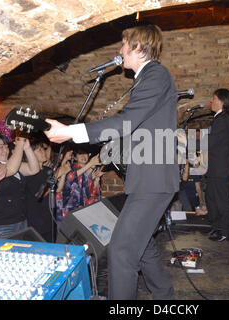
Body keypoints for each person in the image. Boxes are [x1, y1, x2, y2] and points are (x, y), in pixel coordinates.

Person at [44, 24, 179, 300]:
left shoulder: (155, 74)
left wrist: (71, 132)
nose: (120, 51)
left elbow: (127, 121)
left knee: (121, 250)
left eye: (124, 45)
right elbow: (138, 128)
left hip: (153, 181)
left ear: (138, 48)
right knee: (142, 248)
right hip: (149, 180)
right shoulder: (147, 78)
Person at [0, 132, 40, 238]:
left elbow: (33, 169)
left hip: (20, 220)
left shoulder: (9, 163)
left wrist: (27, 148)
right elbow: (10, 170)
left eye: (6, 146)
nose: (6, 150)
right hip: (1, 224)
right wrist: (19, 145)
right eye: (1, 147)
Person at [204, 88, 229, 242]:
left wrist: (187, 141)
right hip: (215, 167)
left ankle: (226, 231)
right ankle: (217, 227)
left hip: (219, 168)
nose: (212, 101)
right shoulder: (221, 118)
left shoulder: (223, 119)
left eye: (214, 98)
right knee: (211, 198)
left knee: (221, 200)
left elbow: (211, 143)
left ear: (222, 101)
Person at [24, 136, 60, 242]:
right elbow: (39, 195)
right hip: (36, 219)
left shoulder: (46, 169)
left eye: (42, 149)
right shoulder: (30, 174)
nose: (43, 152)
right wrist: (57, 175)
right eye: (39, 150)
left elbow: (57, 189)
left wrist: (61, 175)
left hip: (48, 217)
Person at [55, 149, 103, 225]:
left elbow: (91, 192)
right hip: (68, 207)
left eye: (85, 153)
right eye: (80, 154)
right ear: (75, 157)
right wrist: (90, 164)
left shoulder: (91, 169)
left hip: (83, 207)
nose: (83, 156)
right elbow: (70, 177)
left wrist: (97, 179)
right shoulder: (71, 167)